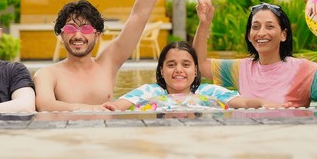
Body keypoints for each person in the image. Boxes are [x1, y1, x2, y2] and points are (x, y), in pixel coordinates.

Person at [33, 0, 183, 111]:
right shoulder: (47, 74)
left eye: (86, 29)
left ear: (97, 35)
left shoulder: (108, 63)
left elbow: (140, 14)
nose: (78, 35)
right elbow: (45, 105)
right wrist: (94, 109)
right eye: (71, 29)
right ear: (61, 34)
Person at [104, 41, 287, 111]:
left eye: (186, 64)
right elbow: (118, 106)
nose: (178, 70)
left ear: (195, 70)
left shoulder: (209, 91)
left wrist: (263, 103)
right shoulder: (148, 92)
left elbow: (244, 103)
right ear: (161, 70)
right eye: (171, 64)